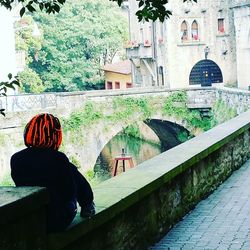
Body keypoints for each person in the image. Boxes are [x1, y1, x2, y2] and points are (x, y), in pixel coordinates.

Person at [10, 113, 95, 232]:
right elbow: (68, 193)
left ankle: (87, 202)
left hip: (31, 218)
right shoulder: (58, 158)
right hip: (56, 220)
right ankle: (87, 204)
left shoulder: (16, 159)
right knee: (70, 169)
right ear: (56, 135)